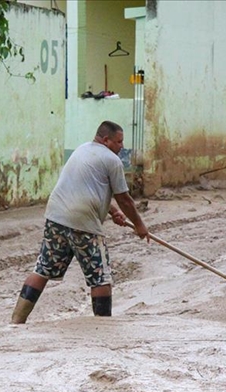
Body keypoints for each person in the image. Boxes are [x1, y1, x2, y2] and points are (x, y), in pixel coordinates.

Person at [11, 121, 148, 324]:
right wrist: (139, 225)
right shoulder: (112, 160)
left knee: (42, 269)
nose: (122, 146)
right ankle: (102, 326)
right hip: (83, 222)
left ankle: (16, 321)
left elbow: (86, 187)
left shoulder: (81, 150)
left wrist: (112, 211)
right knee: (100, 276)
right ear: (105, 140)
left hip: (56, 215)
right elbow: (125, 199)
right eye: (119, 142)